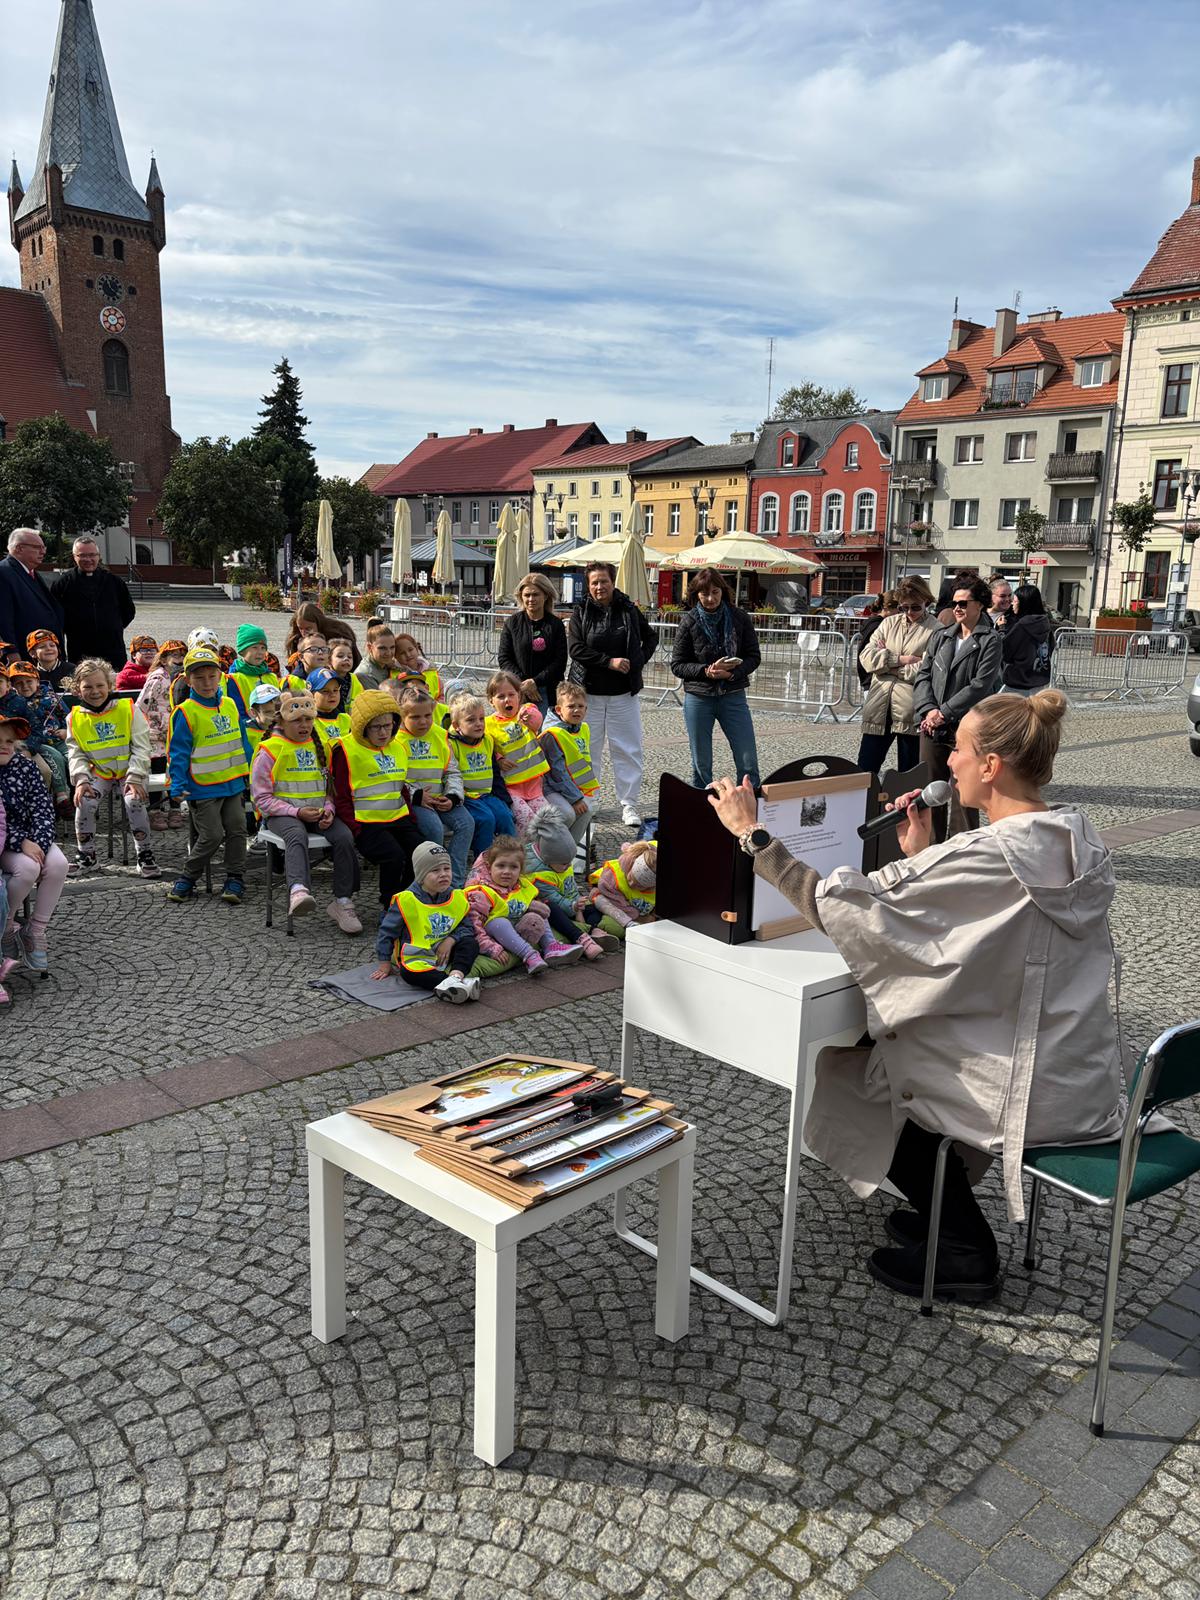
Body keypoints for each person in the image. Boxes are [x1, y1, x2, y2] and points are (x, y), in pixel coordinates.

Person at [707, 689, 1129, 1302]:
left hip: (1018, 1081)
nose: (948, 761)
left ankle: (964, 1247)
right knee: (884, 1057)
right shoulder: (1075, 836)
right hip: (1073, 1069)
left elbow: (841, 907)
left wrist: (752, 835)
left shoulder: (987, 853)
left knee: (862, 1079)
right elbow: (994, 927)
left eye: (959, 750)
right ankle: (941, 1212)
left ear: (991, 766)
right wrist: (927, 858)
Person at [251, 684, 362, 932]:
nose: (304, 726)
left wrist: (329, 809)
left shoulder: (320, 747)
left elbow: (329, 788)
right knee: (296, 834)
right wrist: (296, 812)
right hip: (281, 815)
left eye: (309, 719)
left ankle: (343, 901)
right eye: (297, 720)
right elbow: (261, 798)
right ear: (282, 721)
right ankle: (298, 890)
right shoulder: (270, 750)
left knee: (344, 836)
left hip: (316, 813)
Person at [567, 562, 657, 827]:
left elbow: (651, 637)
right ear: (588, 585)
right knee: (587, 750)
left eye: (604, 581)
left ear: (613, 582)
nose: (599, 587)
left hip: (623, 693)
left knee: (628, 749)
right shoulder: (581, 611)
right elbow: (576, 648)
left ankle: (629, 804)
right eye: (594, 582)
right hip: (588, 694)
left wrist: (637, 661)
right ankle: (589, 801)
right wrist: (609, 662)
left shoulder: (628, 609)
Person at [165, 648, 253, 905]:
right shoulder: (185, 712)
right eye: (199, 678)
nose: (207, 683)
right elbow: (178, 753)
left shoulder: (230, 705)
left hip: (233, 784)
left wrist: (252, 773)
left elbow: (243, 741)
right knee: (212, 835)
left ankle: (235, 877)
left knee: (238, 830)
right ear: (188, 680)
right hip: (202, 787)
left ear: (220, 676)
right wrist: (177, 785)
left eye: (212, 676)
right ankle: (188, 876)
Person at [913, 577, 1001, 834]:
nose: (957, 608)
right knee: (931, 790)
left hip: (967, 725)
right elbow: (923, 675)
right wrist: (928, 709)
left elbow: (980, 685)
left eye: (963, 603)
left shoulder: (990, 640)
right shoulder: (941, 636)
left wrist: (944, 712)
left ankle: (962, 846)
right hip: (933, 725)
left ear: (979, 605)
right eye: (954, 603)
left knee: (965, 791)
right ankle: (932, 845)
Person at [669, 567, 762, 791]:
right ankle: (703, 803)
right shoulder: (689, 621)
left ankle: (750, 800)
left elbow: (754, 656)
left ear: (723, 591)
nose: (710, 599)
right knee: (701, 761)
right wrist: (705, 671)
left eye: (715, 592)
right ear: (696, 595)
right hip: (699, 697)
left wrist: (732, 673)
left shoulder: (739, 617)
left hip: (733, 694)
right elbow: (677, 664)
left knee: (747, 757)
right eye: (704, 594)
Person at [65, 657, 158, 878]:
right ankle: (87, 855)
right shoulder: (74, 718)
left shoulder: (128, 709)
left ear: (109, 685)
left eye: (100, 685)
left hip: (131, 771)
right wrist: (81, 779)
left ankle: (145, 854)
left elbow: (142, 746)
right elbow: (75, 753)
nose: (95, 691)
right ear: (78, 689)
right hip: (100, 772)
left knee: (133, 801)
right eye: (88, 687)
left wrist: (135, 776)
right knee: (85, 800)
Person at [331, 688, 424, 907]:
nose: (383, 732)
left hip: (399, 818)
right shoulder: (345, 750)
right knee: (394, 856)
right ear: (363, 726)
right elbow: (341, 796)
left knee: (422, 853)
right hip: (366, 822)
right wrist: (356, 829)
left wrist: (411, 819)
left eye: (388, 725)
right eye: (376, 727)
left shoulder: (397, 746)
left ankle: (406, 899)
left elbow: (401, 787)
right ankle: (389, 905)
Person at [0, 712, 70, 972]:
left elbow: (43, 809)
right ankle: (5, 926)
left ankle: (35, 929)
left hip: (32, 837)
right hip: (4, 843)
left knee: (59, 865)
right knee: (27, 868)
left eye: (9, 741)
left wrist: (37, 841)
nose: (5, 746)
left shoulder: (26, 767)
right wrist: (21, 843)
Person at [371, 840, 482, 1000]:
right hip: (416, 955)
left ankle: (456, 976)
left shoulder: (456, 896)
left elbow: (466, 927)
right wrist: (384, 963)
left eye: (447, 868)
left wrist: (451, 940)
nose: (443, 874)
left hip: (445, 951)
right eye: (435, 870)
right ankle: (452, 984)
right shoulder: (406, 900)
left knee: (470, 944)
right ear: (421, 875)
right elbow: (387, 932)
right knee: (409, 974)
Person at [465, 835, 582, 977]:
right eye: (501, 866)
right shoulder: (481, 892)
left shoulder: (521, 885)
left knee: (538, 910)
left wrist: (536, 906)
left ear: (520, 870)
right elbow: (474, 924)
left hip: (520, 927)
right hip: (494, 934)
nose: (507, 872)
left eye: (513, 867)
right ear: (489, 867)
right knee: (498, 923)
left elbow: (530, 903)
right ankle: (529, 955)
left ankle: (551, 946)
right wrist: (491, 948)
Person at [855, 577, 937, 780]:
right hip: (878, 706)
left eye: (915, 607)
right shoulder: (888, 623)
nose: (909, 613)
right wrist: (902, 660)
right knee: (865, 771)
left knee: (908, 776)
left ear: (926, 601)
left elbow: (927, 669)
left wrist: (886, 668)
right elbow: (866, 658)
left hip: (910, 710)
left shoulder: (936, 629)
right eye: (904, 607)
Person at [395, 683, 473, 887]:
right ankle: (431, 881)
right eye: (415, 717)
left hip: (441, 798)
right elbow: (393, 779)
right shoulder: (395, 740)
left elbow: (452, 771)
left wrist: (453, 796)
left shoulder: (440, 735)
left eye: (427, 716)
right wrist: (417, 795)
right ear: (402, 716)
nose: (423, 722)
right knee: (434, 829)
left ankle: (454, 881)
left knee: (466, 823)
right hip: (415, 802)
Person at [524, 806, 614, 959]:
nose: (568, 866)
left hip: (571, 904)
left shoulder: (560, 862)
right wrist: (574, 907)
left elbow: (571, 886)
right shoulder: (538, 873)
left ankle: (594, 930)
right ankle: (583, 936)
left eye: (570, 862)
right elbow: (554, 899)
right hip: (557, 908)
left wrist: (579, 904)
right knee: (553, 910)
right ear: (548, 859)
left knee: (594, 908)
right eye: (564, 864)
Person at [48, 537, 136, 670]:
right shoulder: (63, 583)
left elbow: (128, 611)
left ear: (98, 556)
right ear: (74, 557)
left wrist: (113, 626)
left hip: (113, 649)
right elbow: (55, 616)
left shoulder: (114, 582)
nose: (88, 559)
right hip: (79, 650)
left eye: (92, 555)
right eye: (82, 555)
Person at [447, 693, 515, 853]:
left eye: (481, 719)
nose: (478, 724)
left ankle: (512, 856)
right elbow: (450, 775)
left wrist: (505, 799)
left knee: (505, 816)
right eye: (471, 720)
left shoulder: (488, 740)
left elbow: (495, 773)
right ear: (456, 725)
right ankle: (483, 860)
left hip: (487, 795)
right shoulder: (451, 744)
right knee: (486, 819)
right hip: (466, 797)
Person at [486, 669, 549, 835]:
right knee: (526, 818)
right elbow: (486, 747)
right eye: (501, 696)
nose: (507, 699)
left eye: (511, 694)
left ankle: (539, 850)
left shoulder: (526, 710)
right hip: (511, 787)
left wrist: (528, 716)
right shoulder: (488, 724)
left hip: (533, 785)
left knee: (546, 820)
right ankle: (520, 849)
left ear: (519, 696)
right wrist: (499, 759)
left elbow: (536, 719)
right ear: (491, 701)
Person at [539, 680, 598, 850]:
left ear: (586, 709)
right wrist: (576, 798)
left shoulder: (583, 728)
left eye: (581, 706)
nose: (577, 710)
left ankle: (566, 853)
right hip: (550, 787)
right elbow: (557, 773)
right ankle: (546, 852)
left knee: (588, 809)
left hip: (572, 787)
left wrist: (583, 793)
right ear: (559, 710)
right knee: (567, 814)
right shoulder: (552, 734)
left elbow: (584, 761)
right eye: (571, 706)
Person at [498, 574, 568, 715]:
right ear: (521, 597)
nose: (531, 599)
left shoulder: (556, 625)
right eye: (527, 595)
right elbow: (504, 658)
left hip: (548, 690)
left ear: (546, 595)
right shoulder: (512, 623)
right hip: (518, 690)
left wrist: (535, 682)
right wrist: (525, 683)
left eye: (536, 594)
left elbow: (560, 661)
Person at [6, 659, 70, 812]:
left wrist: (66, 730)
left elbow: (66, 716)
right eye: (19, 683)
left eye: (29, 681)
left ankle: (76, 792)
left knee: (71, 758)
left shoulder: (51, 696)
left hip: (60, 739)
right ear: (12, 686)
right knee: (56, 758)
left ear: (37, 681)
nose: (25, 686)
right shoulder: (17, 703)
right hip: (41, 743)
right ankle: (62, 795)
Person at [135, 640, 186, 829]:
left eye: (182, 655)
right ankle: (155, 810)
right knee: (157, 774)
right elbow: (141, 706)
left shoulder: (183, 678)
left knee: (175, 771)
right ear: (164, 659)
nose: (180, 659)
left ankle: (175, 808)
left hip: (176, 735)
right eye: (175, 655)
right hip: (156, 736)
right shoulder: (157, 678)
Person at [0, 530, 64, 653]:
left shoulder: (31, 573)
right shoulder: (3, 573)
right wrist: (11, 652)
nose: (43, 552)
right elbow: (3, 620)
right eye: (37, 547)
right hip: (23, 654)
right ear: (19, 548)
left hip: (42, 654)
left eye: (44, 547)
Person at [1000, 584, 1055, 696]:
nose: (1012, 603)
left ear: (1023, 603)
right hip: (1040, 681)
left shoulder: (1022, 625)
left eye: (1015, 601)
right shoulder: (1045, 622)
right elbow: (1051, 647)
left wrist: (1001, 629)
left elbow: (1005, 651)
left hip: (1019, 682)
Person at [590, 840, 657, 932]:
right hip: (606, 897)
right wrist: (638, 917)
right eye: (631, 878)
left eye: (639, 885)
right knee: (613, 927)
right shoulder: (612, 877)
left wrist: (653, 916)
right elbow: (618, 905)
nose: (631, 884)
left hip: (635, 908)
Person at [227, 624, 282, 718]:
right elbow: (236, 712)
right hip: (249, 725)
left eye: (263, 648)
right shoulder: (234, 678)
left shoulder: (271, 677)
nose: (260, 652)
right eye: (255, 647)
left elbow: (279, 705)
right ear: (242, 651)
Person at [285, 599, 360, 666]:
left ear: (319, 623)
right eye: (301, 628)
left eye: (308, 628)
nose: (304, 633)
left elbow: (353, 658)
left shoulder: (338, 633)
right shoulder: (296, 636)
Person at [855, 592, 897, 691]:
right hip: (873, 679)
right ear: (887, 608)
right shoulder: (878, 626)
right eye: (899, 609)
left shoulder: (872, 622)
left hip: (871, 677)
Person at [308, 667, 351, 744]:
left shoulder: (346, 719)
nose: (332, 694)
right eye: (325, 691)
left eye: (335, 690)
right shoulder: (308, 722)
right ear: (311, 695)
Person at [354, 622, 399, 690]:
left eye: (392, 647)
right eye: (382, 648)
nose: (389, 653)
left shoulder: (385, 664)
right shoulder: (365, 674)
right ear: (370, 647)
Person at [328, 638, 360, 711]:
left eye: (349, 657)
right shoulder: (324, 679)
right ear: (329, 660)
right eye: (340, 656)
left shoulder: (354, 678)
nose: (346, 659)